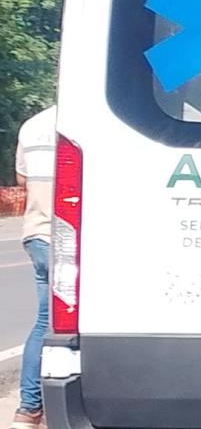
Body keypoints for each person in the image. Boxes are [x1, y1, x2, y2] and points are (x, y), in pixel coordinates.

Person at [9, 105, 57, 429]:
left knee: (44, 321)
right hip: (70, 239)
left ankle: (28, 411)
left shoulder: (32, 125)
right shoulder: (91, 118)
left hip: (37, 234)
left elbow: (21, 179)